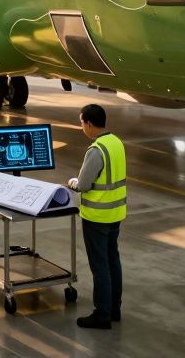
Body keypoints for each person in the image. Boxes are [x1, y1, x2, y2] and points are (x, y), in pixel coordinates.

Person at [68, 103, 126, 329]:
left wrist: (72, 182)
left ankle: (101, 314)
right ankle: (114, 309)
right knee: (113, 261)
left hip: (97, 216)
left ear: (89, 124)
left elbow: (83, 184)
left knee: (99, 266)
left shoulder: (96, 150)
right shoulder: (116, 142)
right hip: (115, 213)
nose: (82, 127)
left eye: (82, 123)